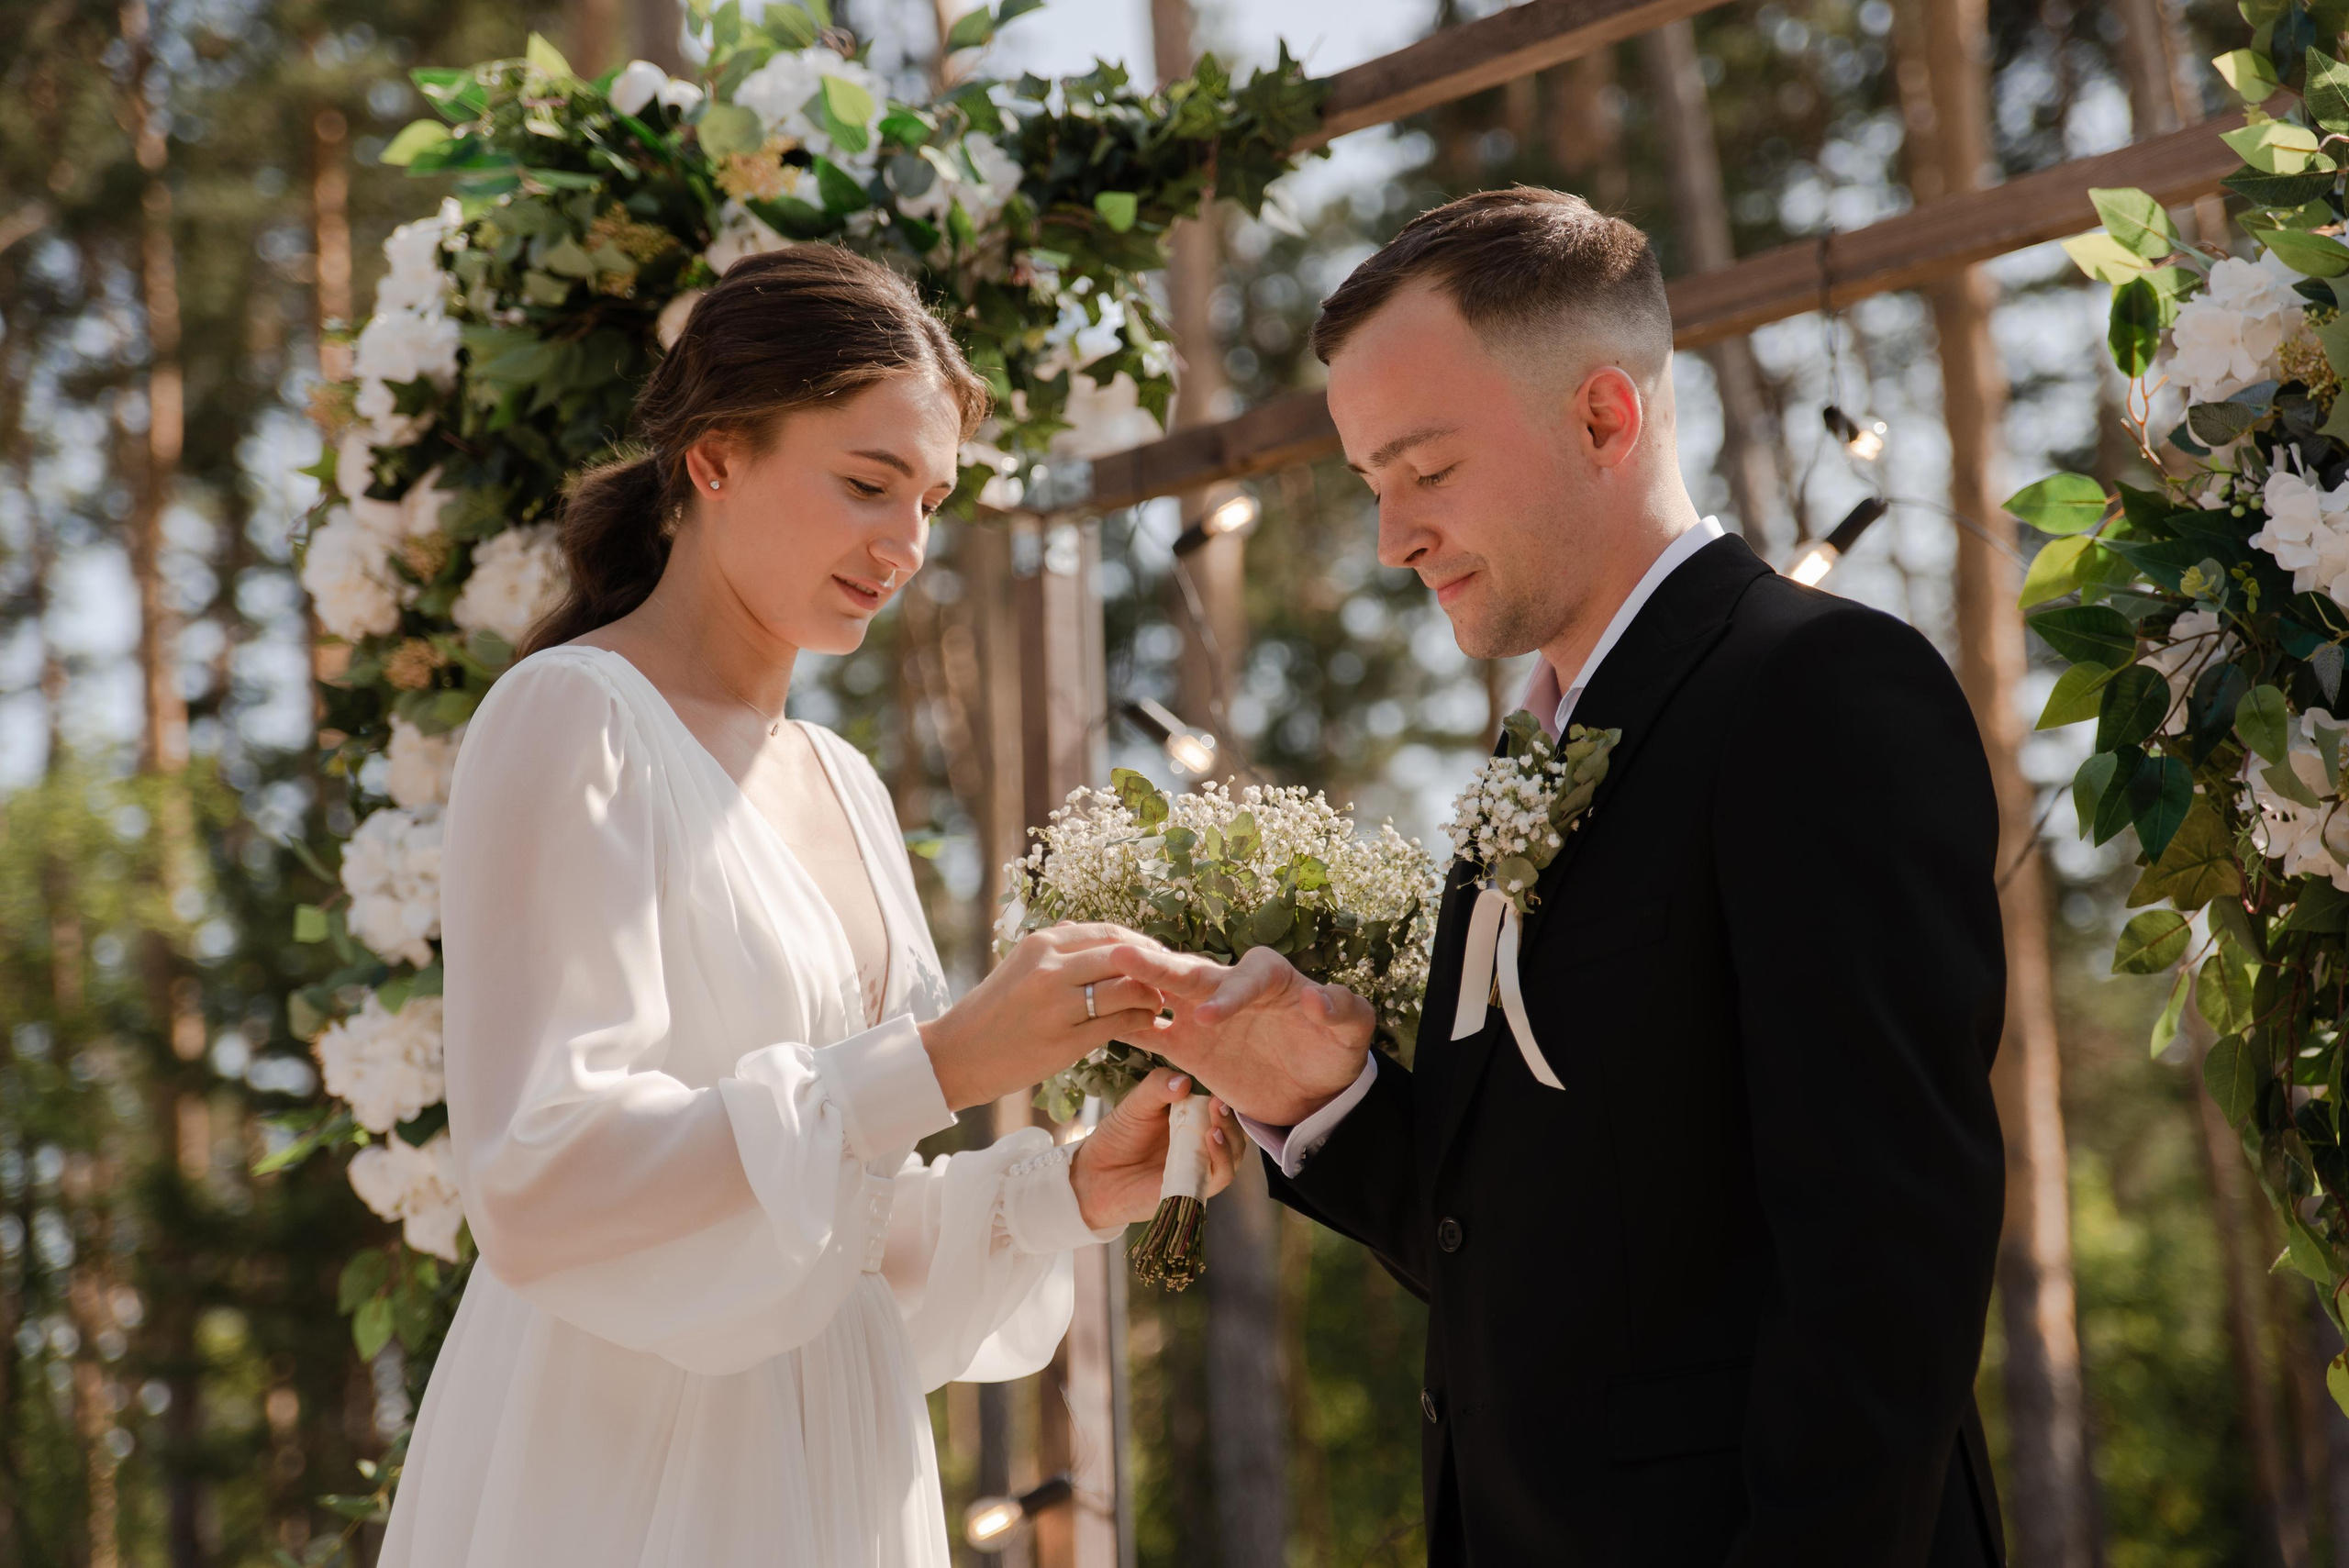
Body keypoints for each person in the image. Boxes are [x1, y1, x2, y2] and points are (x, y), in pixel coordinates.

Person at [1119, 188, 2009, 1566]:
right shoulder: (1529, 758)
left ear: (1604, 418)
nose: (1391, 538)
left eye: (1426, 469)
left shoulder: (1818, 692)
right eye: (1370, 484)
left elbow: (1885, 1266)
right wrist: (1321, 1100)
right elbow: (1525, 1249)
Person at [379, 246, 1238, 1568]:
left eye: (931, 500)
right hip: (623, 1476)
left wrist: (1064, 1190)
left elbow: (825, 1242)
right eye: (866, 483)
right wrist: (942, 1061)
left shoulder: (843, 781)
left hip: (838, 1465)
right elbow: (541, 1176)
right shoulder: (573, 718)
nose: (907, 546)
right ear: (715, 459)